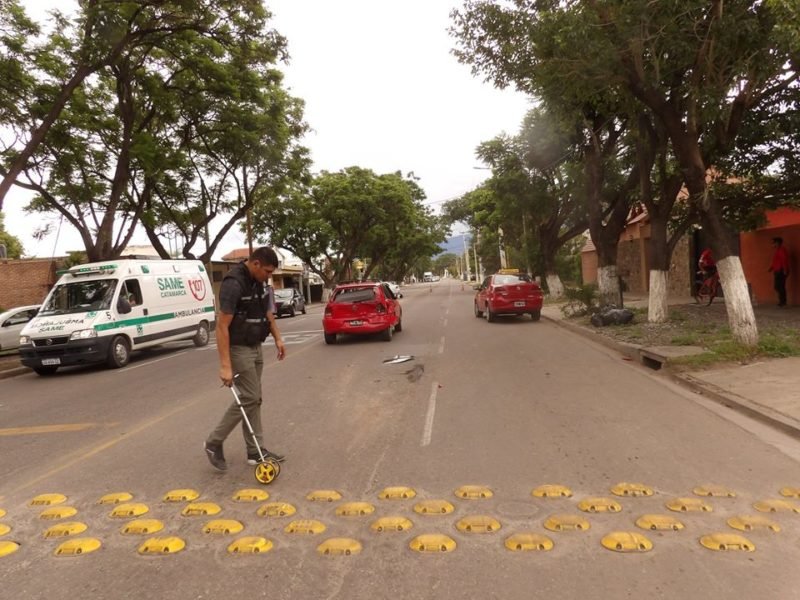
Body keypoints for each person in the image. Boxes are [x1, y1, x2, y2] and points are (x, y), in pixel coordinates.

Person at [204, 246, 287, 471]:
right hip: (239, 349)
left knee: (255, 399)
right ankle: (214, 441)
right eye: (268, 271)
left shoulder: (257, 282)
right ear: (256, 263)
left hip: (255, 345)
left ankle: (256, 451)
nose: (269, 276)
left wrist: (278, 338)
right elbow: (222, 326)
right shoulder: (234, 284)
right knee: (250, 396)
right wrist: (225, 366)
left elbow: (267, 312)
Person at [768, 237, 790, 307]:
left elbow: (784, 260)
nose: (772, 245)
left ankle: (783, 302)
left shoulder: (781, 250)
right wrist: (771, 268)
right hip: (777, 270)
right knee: (778, 286)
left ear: (777, 243)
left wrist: (785, 270)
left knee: (780, 286)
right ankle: (782, 302)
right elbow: (777, 261)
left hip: (781, 271)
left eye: (773, 243)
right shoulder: (778, 250)